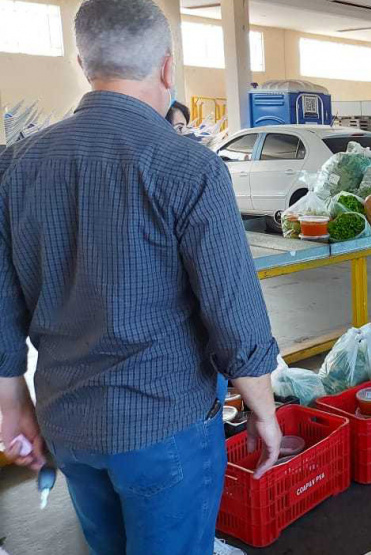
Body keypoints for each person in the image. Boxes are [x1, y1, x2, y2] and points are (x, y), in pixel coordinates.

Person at [0, 2, 280, 555]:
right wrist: (264, 411)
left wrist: (14, 406)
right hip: (165, 426)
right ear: (168, 68)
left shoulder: (17, 166)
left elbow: (3, 304)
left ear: (83, 64)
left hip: (69, 425)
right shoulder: (189, 167)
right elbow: (235, 316)